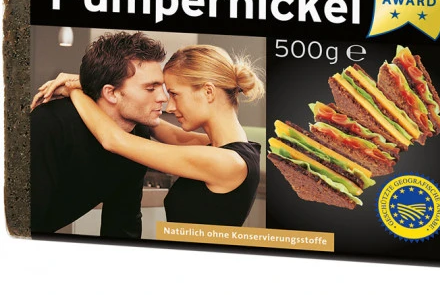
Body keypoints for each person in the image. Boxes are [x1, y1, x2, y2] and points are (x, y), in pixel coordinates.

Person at [35, 43, 265, 227]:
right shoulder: (227, 148)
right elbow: (160, 128)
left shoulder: (226, 162)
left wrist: (75, 91)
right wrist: (95, 85)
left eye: (174, 94)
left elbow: (113, 140)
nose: (169, 106)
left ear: (208, 92)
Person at [30, 31, 208, 238]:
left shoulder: (138, 134)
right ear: (111, 93)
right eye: (151, 88)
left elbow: (123, 225)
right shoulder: (48, 124)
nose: (163, 98)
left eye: (162, 87)